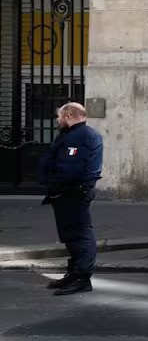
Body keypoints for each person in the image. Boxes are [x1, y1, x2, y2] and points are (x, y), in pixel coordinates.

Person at [37, 102, 104, 296]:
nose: (57, 120)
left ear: (68, 116)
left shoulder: (81, 136)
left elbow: (70, 168)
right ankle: (74, 274)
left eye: (59, 116)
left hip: (72, 193)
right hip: (68, 192)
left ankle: (82, 278)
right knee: (71, 236)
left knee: (79, 236)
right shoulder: (76, 134)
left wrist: (54, 183)